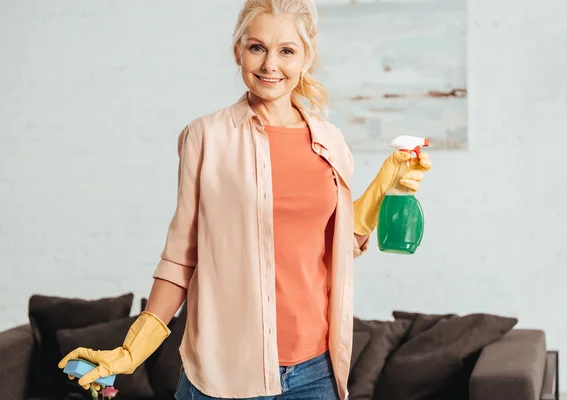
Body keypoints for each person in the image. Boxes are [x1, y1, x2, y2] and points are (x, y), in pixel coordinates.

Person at [58, 0, 432, 399]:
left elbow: (336, 244)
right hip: (224, 374)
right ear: (238, 51)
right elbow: (182, 257)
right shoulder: (206, 137)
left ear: (306, 57)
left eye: (286, 50)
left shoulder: (330, 141)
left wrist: (384, 184)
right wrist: (132, 351)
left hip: (315, 371)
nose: (271, 64)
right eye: (257, 48)